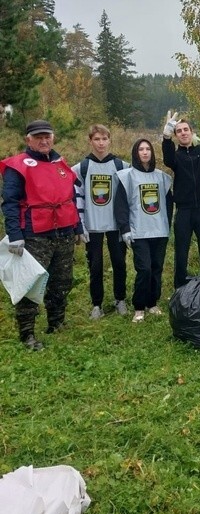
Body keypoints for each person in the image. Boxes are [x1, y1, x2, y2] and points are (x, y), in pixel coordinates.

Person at [0, 119, 82, 350]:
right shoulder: (19, 166)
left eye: (47, 136)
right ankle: (27, 333)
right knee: (31, 283)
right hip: (35, 233)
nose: (43, 140)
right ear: (29, 140)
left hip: (64, 231)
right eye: (38, 137)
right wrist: (14, 234)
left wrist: (78, 227)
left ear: (53, 137)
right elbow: (10, 202)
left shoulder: (60, 163)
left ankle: (57, 323)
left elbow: (72, 197)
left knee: (61, 281)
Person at [161, 98, 200, 288]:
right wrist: (165, 138)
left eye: (185, 130)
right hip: (184, 211)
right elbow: (167, 159)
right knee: (181, 250)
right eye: (178, 131)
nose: (183, 133)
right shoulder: (176, 156)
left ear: (191, 132)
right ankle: (180, 287)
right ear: (176, 135)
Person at [73, 124, 129, 319]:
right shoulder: (82, 167)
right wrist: (79, 224)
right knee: (95, 266)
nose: (101, 143)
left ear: (109, 140)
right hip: (93, 225)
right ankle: (97, 304)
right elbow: (75, 194)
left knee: (119, 263)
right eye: (97, 139)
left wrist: (129, 225)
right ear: (90, 141)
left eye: (104, 139)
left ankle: (120, 299)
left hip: (116, 225)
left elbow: (130, 193)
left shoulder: (121, 166)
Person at [114, 139, 173, 323]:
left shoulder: (162, 177)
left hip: (159, 231)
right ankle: (139, 306)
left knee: (156, 269)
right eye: (141, 149)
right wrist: (125, 229)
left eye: (148, 149)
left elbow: (169, 205)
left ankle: (152, 303)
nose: (145, 152)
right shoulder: (127, 176)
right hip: (138, 231)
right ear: (136, 152)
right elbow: (121, 205)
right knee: (144, 269)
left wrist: (166, 226)